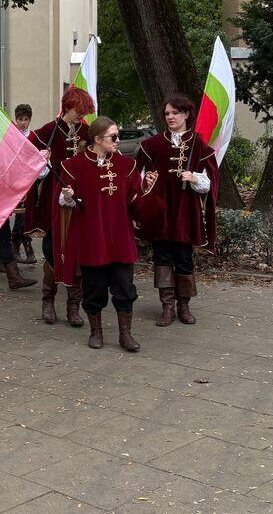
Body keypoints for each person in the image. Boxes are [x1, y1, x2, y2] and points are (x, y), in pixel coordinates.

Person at [59, 117, 163, 351]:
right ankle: (96, 332)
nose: (118, 140)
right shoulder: (74, 165)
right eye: (113, 137)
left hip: (121, 238)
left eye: (118, 136)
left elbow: (135, 203)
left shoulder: (127, 165)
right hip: (92, 238)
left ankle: (125, 334)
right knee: (94, 289)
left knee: (125, 288)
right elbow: (66, 201)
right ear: (97, 139)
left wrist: (147, 189)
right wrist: (68, 198)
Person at [135, 94, 219, 327]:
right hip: (160, 211)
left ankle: (184, 306)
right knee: (162, 257)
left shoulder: (200, 146)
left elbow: (209, 183)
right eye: (167, 114)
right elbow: (136, 178)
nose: (170, 117)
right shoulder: (151, 145)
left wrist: (194, 178)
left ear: (186, 114)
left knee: (183, 258)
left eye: (175, 113)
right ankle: (167, 307)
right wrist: (146, 182)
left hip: (185, 211)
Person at [27, 87, 93, 326]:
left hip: (80, 198)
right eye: (79, 110)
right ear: (67, 107)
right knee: (52, 248)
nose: (82, 115)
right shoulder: (47, 131)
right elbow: (30, 168)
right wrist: (40, 160)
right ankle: (48, 302)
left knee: (78, 250)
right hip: (53, 199)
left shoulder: (87, 131)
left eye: (85, 111)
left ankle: (74, 307)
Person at [12, 104, 36, 264]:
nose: (22, 122)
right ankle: (22, 246)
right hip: (14, 179)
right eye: (20, 119)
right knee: (19, 214)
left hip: (29, 180)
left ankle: (21, 246)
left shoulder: (34, 137)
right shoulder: (12, 135)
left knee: (26, 214)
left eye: (25, 119)